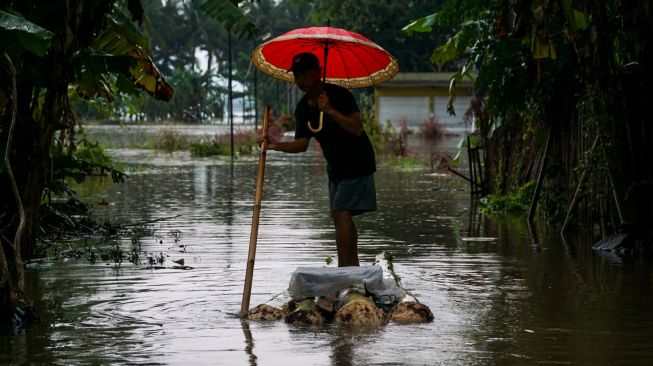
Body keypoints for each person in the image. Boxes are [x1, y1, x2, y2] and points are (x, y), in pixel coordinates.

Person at [262, 52, 377, 267]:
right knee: (341, 216)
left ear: (319, 73)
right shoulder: (303, 107)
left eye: (305, 75)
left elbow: (357, 127)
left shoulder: (339, 95)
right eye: (297, 76)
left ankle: (345, 272)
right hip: (336, 168)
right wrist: (274, 145)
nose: (300, 80)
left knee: (340, 213)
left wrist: (330, 110)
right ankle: (352, 268)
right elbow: (302, 144)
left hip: (358, 162)